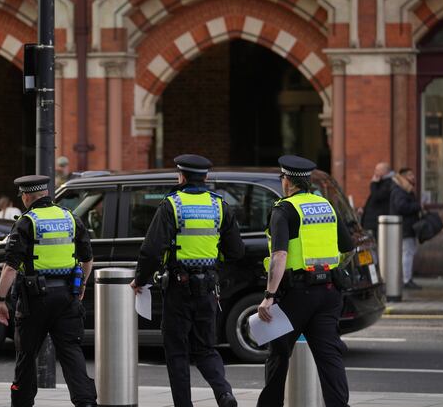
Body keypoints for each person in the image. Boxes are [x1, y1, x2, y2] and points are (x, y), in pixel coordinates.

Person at [130, 154, 245, 407]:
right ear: (205, 177)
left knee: (177, 352)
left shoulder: (171, 205)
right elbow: (237, 251)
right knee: (206, 348)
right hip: (207, 289)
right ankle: (224, 393)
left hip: (178, 289)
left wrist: (140, 279)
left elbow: (151, 250)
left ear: (181, 176)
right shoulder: (220, 206)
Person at [256, 155, 354, 407]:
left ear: (287, 181)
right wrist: (330, 270)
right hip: (329, 291)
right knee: (329, 356)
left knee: (278, 354)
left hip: (296, 295)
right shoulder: (326, 206)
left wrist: (269, 296)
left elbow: (279, 255)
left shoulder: (283, 209)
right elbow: (348, 247)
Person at [0, 175, 97, 407]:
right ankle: (87, 402)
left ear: (27, 196)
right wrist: (80, 288)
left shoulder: (27, 222)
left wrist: (0, 299)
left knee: (27, 355)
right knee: (71, 353)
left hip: (34, 300)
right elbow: (88, 259)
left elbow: (10, 267)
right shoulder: (70, 217)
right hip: (67, 298)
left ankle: (22, 402)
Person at [390, 167, 422, 289]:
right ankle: (406, 279)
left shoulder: (405, 190)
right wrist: (417, 206)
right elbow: (401, 207)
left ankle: (406, 278)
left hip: (406, 227)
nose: (413, 177)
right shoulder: (400, 191)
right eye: (410, 175)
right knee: (407, 253)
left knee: (408, 252)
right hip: (404, 227)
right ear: (403, 177)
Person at [360, 162, 395, 239]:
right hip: (374, 221)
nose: (375, 172)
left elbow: (377, 196)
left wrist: (373, 184)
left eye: (377, 170)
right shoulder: (381, 182)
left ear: (385, 171)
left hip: (378, 221)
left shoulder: (388, 182)